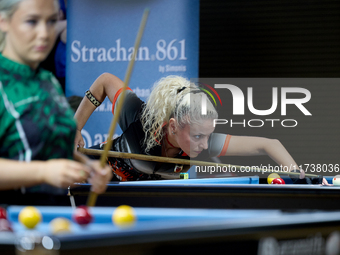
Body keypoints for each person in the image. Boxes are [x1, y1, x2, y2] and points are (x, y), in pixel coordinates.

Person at [74, 73, 328, 185]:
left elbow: (268, 143)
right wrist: (75, 127)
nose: (205, 145)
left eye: (207, 135)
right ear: (172, 126)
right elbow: (105, 81)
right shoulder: (139, 117)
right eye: (197, 136)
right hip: (87, 175)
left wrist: (297, 175)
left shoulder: (200, 145)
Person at [0, 0, 112, 195]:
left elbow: (46, 148)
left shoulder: (48, 82)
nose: (44, 33)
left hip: (56, 220)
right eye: (32, 21)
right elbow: (43, 166)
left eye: (52, 21)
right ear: (4, 22)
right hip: (9, 222)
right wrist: (42, 172)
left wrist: (87, 166)